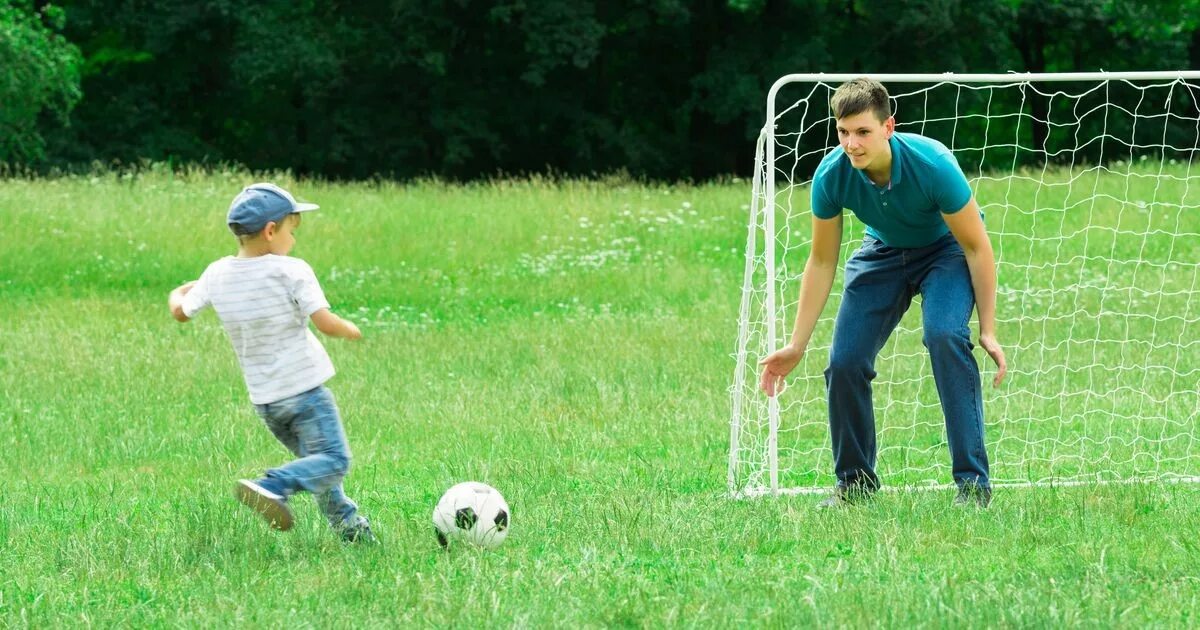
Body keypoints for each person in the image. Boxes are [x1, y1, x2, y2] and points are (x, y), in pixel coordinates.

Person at [758, 78, 1007, 508]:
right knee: (845, 362)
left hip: (944, 250)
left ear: (888, 127)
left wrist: (988, 328)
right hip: (883, 251)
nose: (851, 144)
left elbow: (975, 245)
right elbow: (820, 262)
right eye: (843, 132)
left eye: (863, 132)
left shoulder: (932, 164)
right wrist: (797, 345)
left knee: (945, 336)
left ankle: (972, 486)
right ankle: (854, 485)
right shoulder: (832, 176)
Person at [168, 183, 375, 541]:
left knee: (317, 469)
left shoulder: (216, 273)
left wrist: (178, 291)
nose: (293, 240)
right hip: (305, 394)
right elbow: (324, 322)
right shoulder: (291, 270)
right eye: (292, 231)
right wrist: (349, 329)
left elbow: (180, 313)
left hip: (267, 403)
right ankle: (273, 485)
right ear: (270, 231)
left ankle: (352, 531)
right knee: (335, 461)